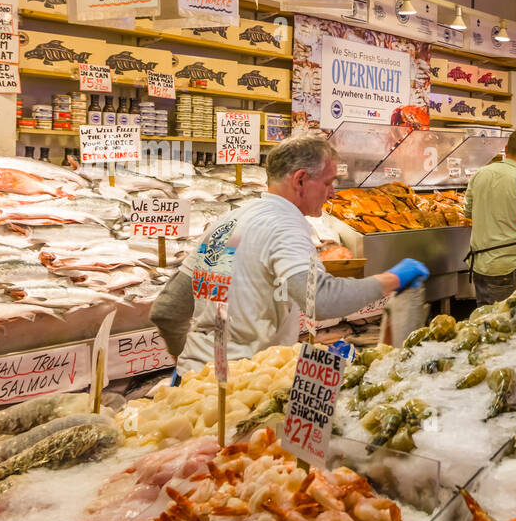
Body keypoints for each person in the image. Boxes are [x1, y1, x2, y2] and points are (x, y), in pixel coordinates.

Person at [151, 133, 429, 373]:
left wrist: (187, 366)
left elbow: (167, 310)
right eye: (328, 182)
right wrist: (393, 278)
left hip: (196, 382)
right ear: (300, 180)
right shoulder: (285, 224)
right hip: (244, 383)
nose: (332, 193)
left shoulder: (228, 220)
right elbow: (320, 300)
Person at [464, 128, 516, 305]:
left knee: (483, 323)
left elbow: (467, 212)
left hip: (479, 265)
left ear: (505, 148)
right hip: (508, 267)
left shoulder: (480, 174)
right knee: (508, 326)